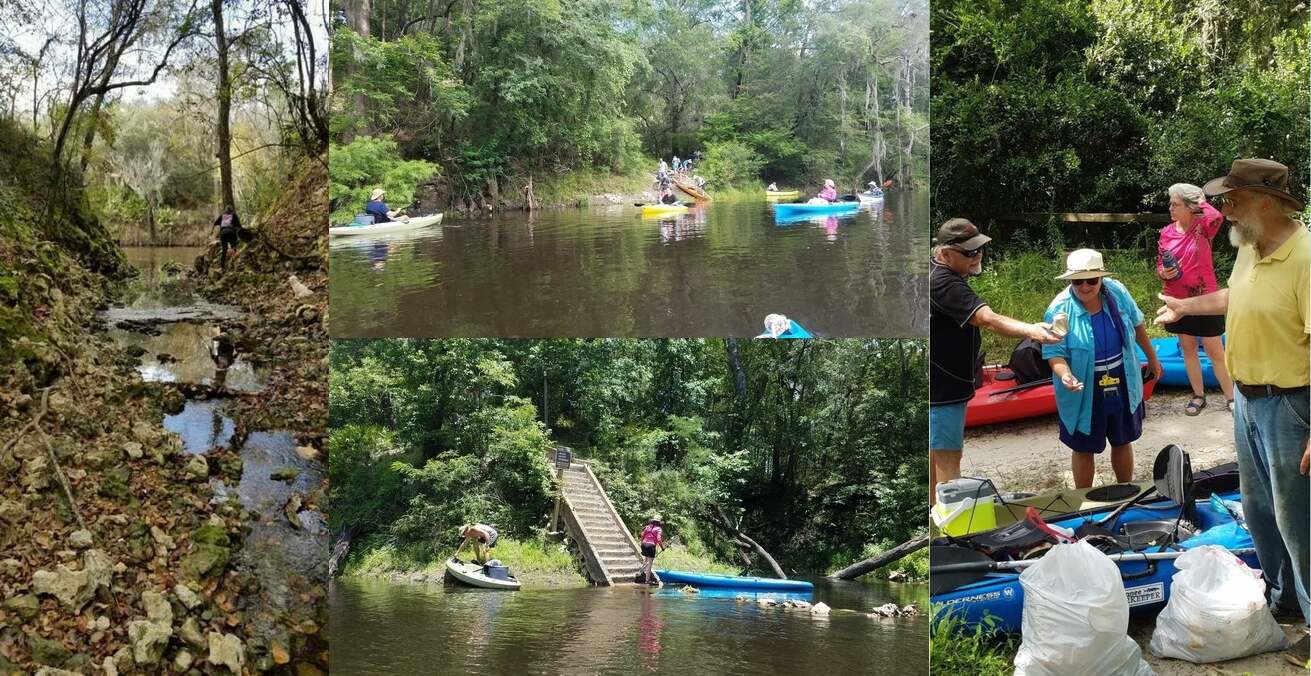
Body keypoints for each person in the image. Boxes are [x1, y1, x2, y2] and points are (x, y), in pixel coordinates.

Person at [1156, 159, 1309, 663]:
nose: (1222, 210)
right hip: (1246, 398)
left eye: (1231, 199)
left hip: (1292, 405)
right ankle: (1284, 602)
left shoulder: (1305, 258)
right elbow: (1235, 297)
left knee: (1299, 520)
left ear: (1264, 202)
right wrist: (1185, 309)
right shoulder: (1250, 246)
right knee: (1260, 511)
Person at [929, 218, 1059, 504]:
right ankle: (949, 534)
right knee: (949, 465)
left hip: (939, 383)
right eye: (969, 252)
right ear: (946, 253)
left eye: (979, 249)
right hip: (943, 391)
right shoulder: (943, 282)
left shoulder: (934, 269)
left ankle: (932, 523)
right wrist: (1031, 330)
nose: (977, 256)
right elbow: (987, 319)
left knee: (935, 457)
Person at [1042, 249, 1162, 489]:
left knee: (1122, 439)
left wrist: (1153, 359)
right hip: (1083, 385)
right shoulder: (1060, 309)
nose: (1085, 286)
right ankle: (1084, 499)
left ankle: (1125, 491)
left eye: (1092, 280)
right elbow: (1054, 353)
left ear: (1101, 278)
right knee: (1083, 447)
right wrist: (1065, 375)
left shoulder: (1116, 292)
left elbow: (1137, 325)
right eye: (1078, 281)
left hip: (1121, 376)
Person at [1157, 183, 1235, 415]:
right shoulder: (1166, 232)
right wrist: (1163, 272)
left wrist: (1200, 199)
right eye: (1170, 203)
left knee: (1214, 350)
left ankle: (1231, 397)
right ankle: (1198, 396)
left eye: (1176, 204)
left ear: (1189, 207)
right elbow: (1160, 264)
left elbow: (1217, 215)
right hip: (1176, 300)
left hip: (1206, 298)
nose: (1170, 207)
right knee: (1187, 348)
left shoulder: (1203, 227)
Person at [638, 515, 666, 584]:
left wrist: (642, 543)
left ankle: (642, 572)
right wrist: (662, 548)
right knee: (650, 563)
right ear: (659, 522)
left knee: (646, 559)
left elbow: (642, 535)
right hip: (651, 546)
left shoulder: (648, 527)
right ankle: (647, 580)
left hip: (644, 544)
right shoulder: (658, 529)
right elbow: (659, 540)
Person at [213, 205, 241, 271]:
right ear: (231, 210)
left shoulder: (222, 215)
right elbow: (239, 226)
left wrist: (213, 233)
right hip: (231, 233)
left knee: (224, 250)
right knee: (234, 246)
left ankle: (222, 267)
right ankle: (234, 264)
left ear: (225, 211)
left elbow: (215, 223)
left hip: (223, 234)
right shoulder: (234, 215)